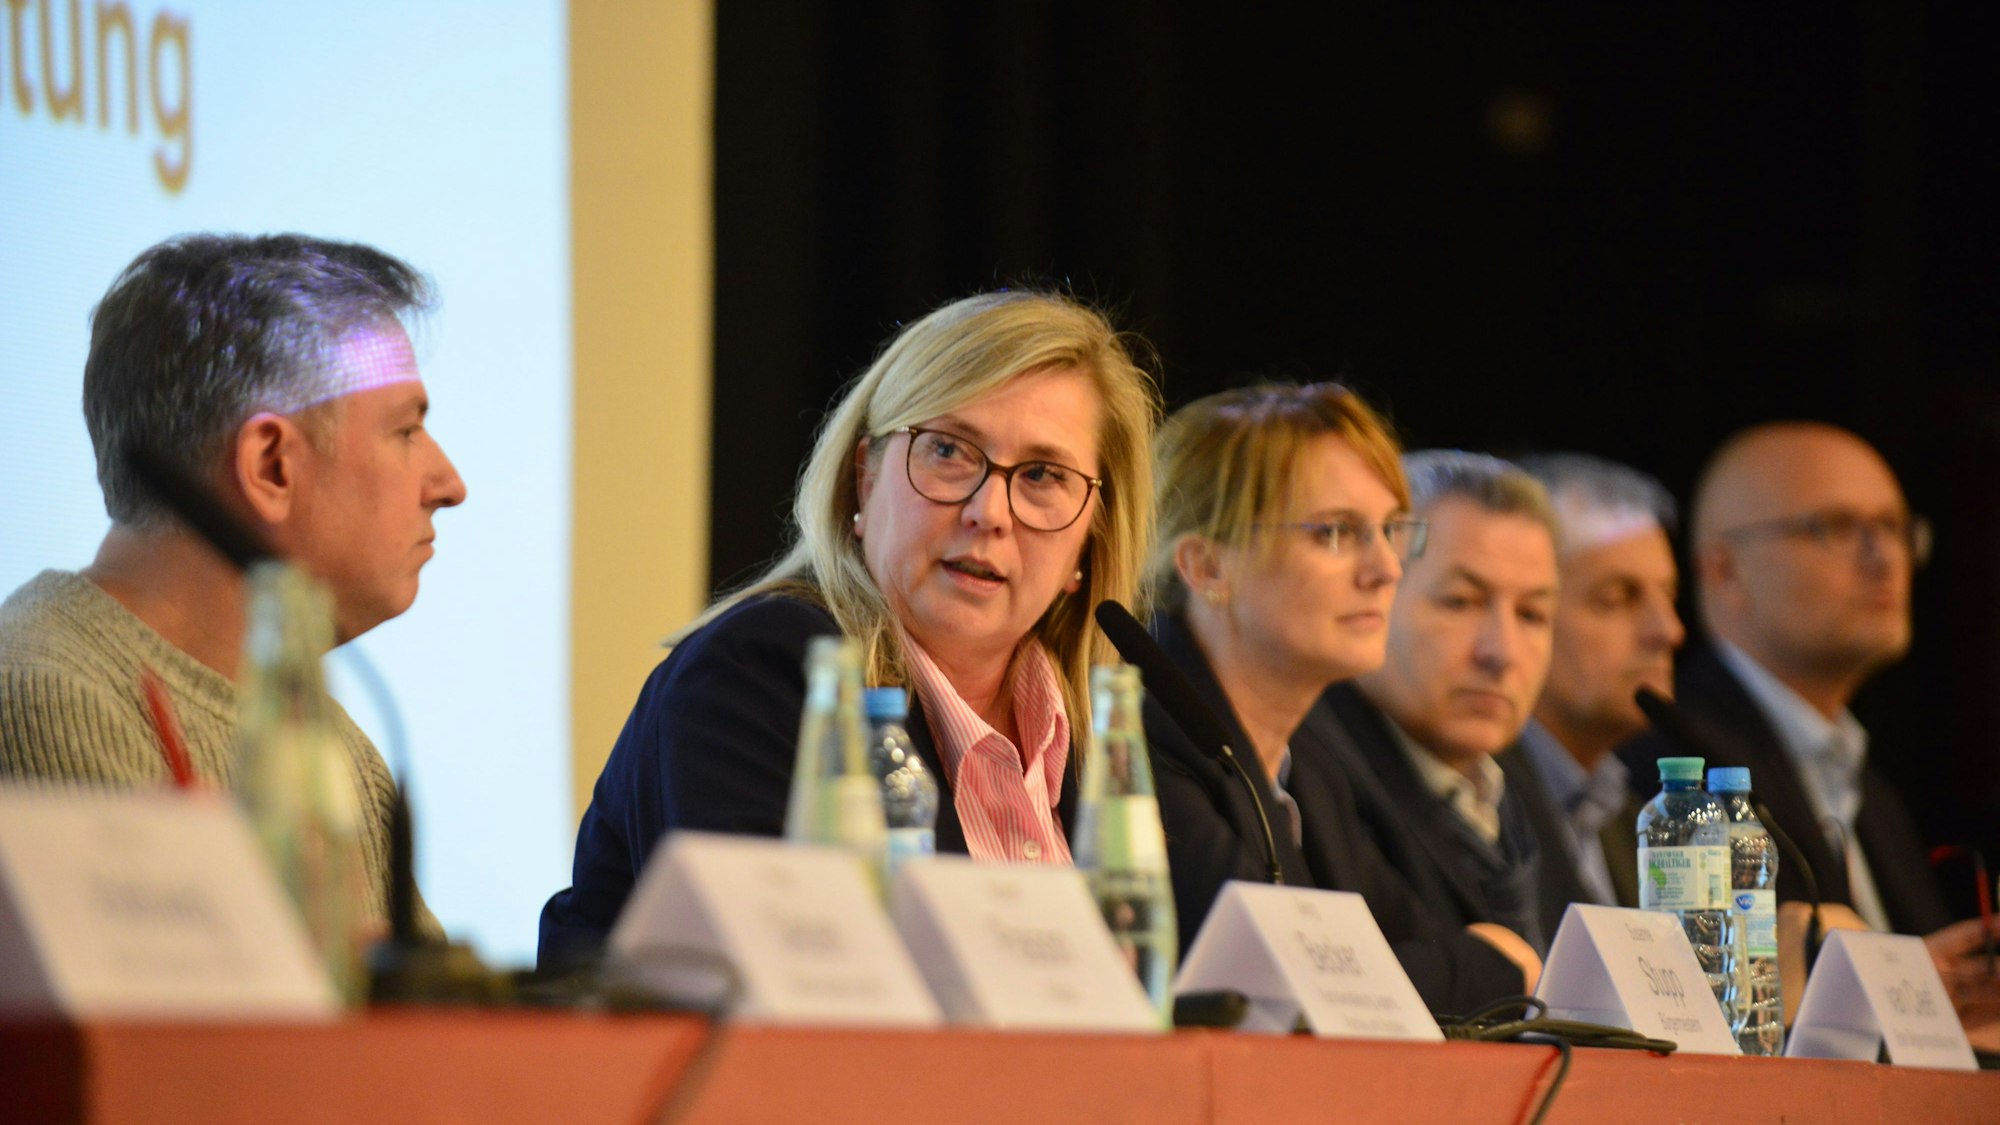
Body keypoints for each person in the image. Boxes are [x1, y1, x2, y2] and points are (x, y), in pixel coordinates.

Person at [540, 290, 1160, 970]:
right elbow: (788, 1003)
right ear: (865, 479)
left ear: (1089, 540)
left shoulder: (1092, 744)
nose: (989, 512)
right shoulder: (768, 675)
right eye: (949, 450)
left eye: (1043, 474)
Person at [0, 233, 467, 931]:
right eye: (405, 431)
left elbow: (431, 1038)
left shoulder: (329, 744)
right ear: (272, 465)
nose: (448, 484)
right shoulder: (50, 700)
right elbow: (174, 1039)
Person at [1142, 384, 1538, 1011]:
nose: (1386, 569)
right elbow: (1279, 988)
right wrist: (1486, 966)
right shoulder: (1144, 733)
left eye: (1389, 531)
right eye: (1334, 532)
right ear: (1207, 566)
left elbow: (1403, 954)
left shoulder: (1313, 763)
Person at [1618, 422, 1998, 1042]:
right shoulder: (1668, 759)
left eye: (1897, 529)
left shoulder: (1871, 789)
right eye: (1838, 528)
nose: (1884, 558)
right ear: (1724, 570)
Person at [1323, 451, 1560, 955]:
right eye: (1461, 601)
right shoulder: (1314, 772)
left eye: (1533, 614)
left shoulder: (1518, 788)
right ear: (1375, 592)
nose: (1502, 652)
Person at [1503, 453, 1682, 939]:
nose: (1668, 631)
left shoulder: (1625, 814)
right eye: (1618, 597)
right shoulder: (1475, 800)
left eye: (1669, 596)